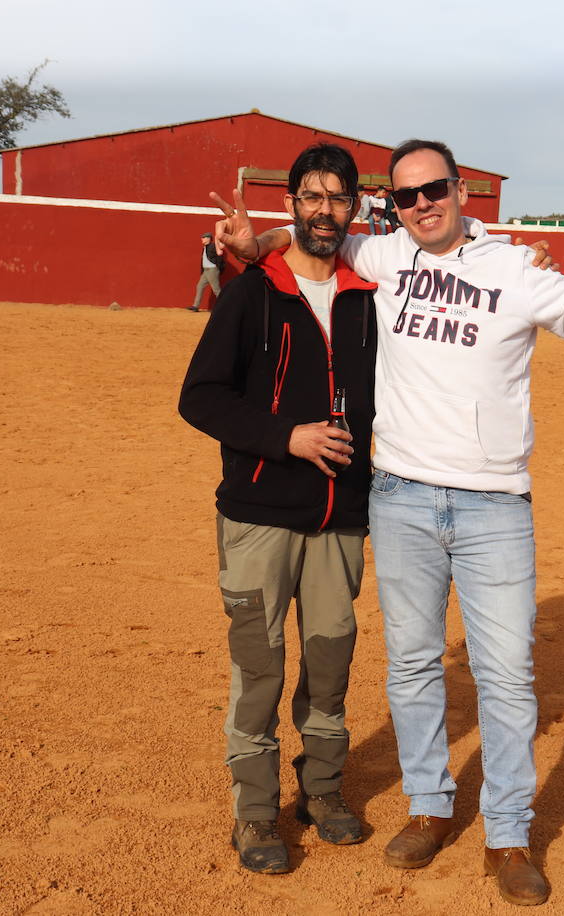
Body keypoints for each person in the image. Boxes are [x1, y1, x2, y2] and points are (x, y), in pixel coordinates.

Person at [212, 138, 564, 908]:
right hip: (398, 498)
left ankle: (508, 834)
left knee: (505, 675)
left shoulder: (515, 268)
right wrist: (252, 239)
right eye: (405, 195)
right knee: (414, 666)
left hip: (495, 504)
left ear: (462, 191)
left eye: (433, 190)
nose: (420, 204)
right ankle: (429, 808)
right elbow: (310, 240)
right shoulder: (383, 253)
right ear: (389, 205)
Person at [178, 143, 378, 875]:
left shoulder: (368, 293)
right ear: (292, 203)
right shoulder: (253, 292)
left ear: (355, 207)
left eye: (338, 198)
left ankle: (321, 792)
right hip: (260, 513)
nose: (325, 211)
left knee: (330, 663)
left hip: (339, 518)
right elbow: (199, 397)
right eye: (312, 197)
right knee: (259, 668)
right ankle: (256, 812)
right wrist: (286, 437)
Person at [188, 231, 226, 311]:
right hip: (206, 271)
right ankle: (195, 306)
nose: (202, 239)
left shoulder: (213, 246)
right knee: (199, 286)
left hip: (212, 270)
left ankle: (224, 306)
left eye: (203, 237)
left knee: (216, 289)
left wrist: (218, 268)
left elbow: (219, 257)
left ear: (208, 238)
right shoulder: (205, 247)